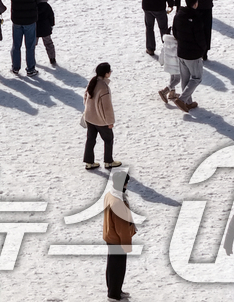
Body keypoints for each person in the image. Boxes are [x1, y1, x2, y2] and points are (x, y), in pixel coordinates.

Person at [165, 0, 208, 112]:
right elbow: (200, 38)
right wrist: (202, 50)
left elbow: (174, 32)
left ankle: (188, 103)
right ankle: (183, 100)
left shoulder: (179, 15)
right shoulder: (196, 18)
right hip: (193, 54)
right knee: (197, 78)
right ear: (195, 3)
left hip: (181, 52)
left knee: (185, 78)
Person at [103, 170, 137, 300]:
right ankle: (114, 295)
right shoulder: (118, 202)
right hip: (117, 239)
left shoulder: (110, 194)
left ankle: (114, 290)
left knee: (112, 266)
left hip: (110, 235)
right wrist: (127, 245)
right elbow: (122, 228)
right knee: (118, 268)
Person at [82, 62, 120, 170]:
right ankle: (108, 162)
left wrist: (89, 109)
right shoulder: (104, 88)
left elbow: (85, 97)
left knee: (90, 139)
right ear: (106, 74)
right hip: (101, 120)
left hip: (89, 117)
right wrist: (110, 122)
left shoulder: (92, 81)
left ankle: (89, 162)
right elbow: (107, 108)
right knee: (108, 139)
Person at [8, 0, 45, 76]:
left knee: (16, 45)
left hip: (17, 20)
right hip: (30, 21)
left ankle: (15, 67)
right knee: (30, 46)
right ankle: (30, 69)